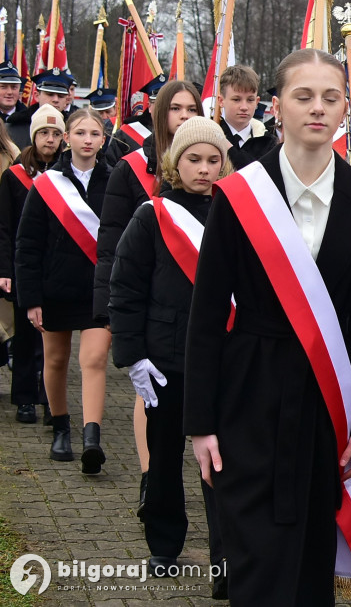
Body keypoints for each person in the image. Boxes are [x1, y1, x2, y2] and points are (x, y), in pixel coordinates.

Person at [184, 49, 351, 605]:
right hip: (248, 393)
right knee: (255, 559)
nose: (317, 109)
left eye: (330, 98)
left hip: (328, 404)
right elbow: (206, 315)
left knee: (308, 563)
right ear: (277, 107)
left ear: (346, 109)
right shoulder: (238, 195)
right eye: (303, 96)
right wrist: (200, 423)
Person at [109, 115, 231, 596]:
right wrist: (133, 356)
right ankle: (163, 540)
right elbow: (126, 287)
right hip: (164, 361)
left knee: (219, 461)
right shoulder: (152, 215)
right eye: (193, 159)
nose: (204, 168)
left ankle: (225, 556)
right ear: (175, 163)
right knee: (163, 458)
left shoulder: (236, 214)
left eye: (213, 159)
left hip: (220, 361)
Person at [95, 80, 202, 512]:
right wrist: (113, 316)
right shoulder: (131, 168)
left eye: (192, 107)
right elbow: (113, 246)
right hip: (156, 318)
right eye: (175, 108)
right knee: (154, 404)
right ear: (160, 115)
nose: (183, 115)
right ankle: (147, 478)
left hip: (198, 325)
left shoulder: (220, 176)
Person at [15, 108, 111, 474]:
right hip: (54, 290)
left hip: (97, 291)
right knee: (55, 361)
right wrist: (31, 299)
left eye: (95, 133)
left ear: (103, 139)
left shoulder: (114, 180)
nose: (88, 139)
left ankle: (91, 439)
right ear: (67, 138)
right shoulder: (47, 184)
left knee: (95, 360)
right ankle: (60, 427)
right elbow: (28, 245)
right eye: (80, 132)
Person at [0, 110, 61, 424]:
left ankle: (52, 400)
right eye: (43, 134)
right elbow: (3, 227)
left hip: (60, 269)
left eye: (55, 134)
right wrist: (5, 270)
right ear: (34, 136)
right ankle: (24, 397)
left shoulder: (68, 174)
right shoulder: (14, 176)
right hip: (26, 267)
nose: (50, 140)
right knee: (26, 336)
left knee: (55, 341)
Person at [216, 65, 277, 169]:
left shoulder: (268, 142)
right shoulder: (210, 136)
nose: (244, 107)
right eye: (236, 99)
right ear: (221, 101)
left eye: (250, 100)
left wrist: (228, 148)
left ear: (257, 101)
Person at [6, 69, 73, 150]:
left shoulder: (73, 129)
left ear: (66, 100)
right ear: (36, 96)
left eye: (61, 96)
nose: (55, 99)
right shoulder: (15, 126)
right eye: (50, 94)